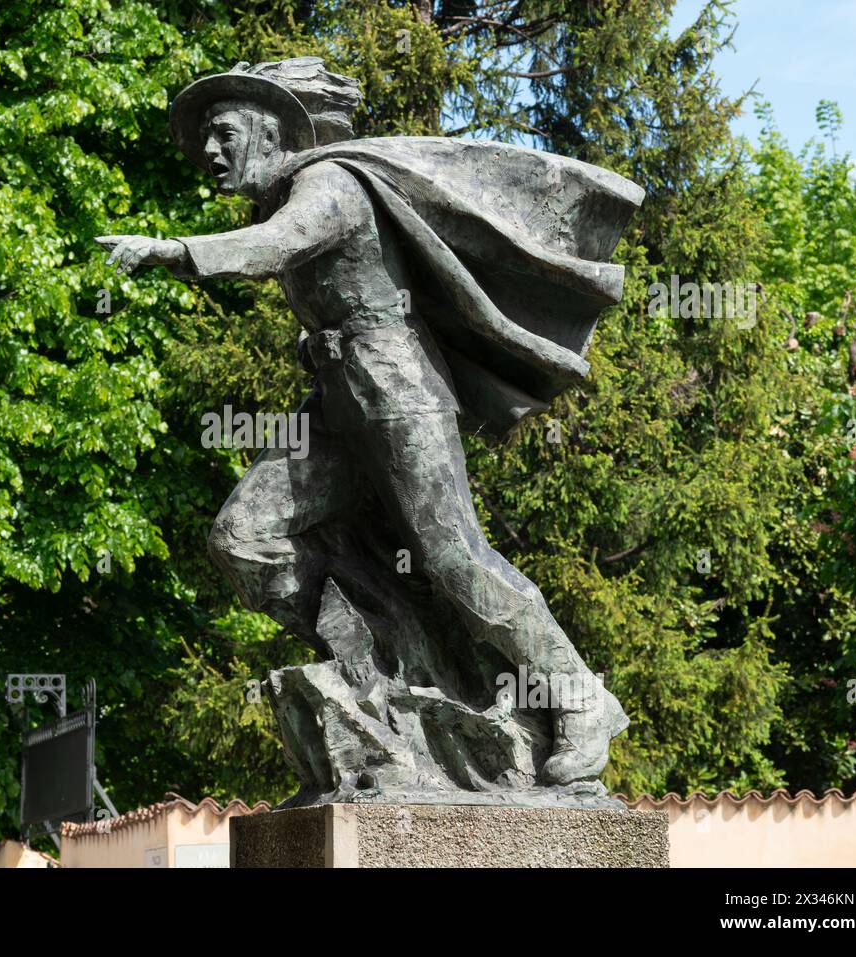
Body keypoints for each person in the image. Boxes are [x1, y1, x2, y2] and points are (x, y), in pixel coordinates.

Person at [98, 58, 642, 785]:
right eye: (204, 143)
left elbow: (271, 249)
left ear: (271, 129)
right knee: (243, 536)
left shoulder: (329, 183)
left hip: (398, 390)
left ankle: (579, 699)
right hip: (337, 402)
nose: (212, 154)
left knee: (454, 556)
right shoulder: (295, 193)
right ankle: (380, 654)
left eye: (224, 134)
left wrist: (174, 251)